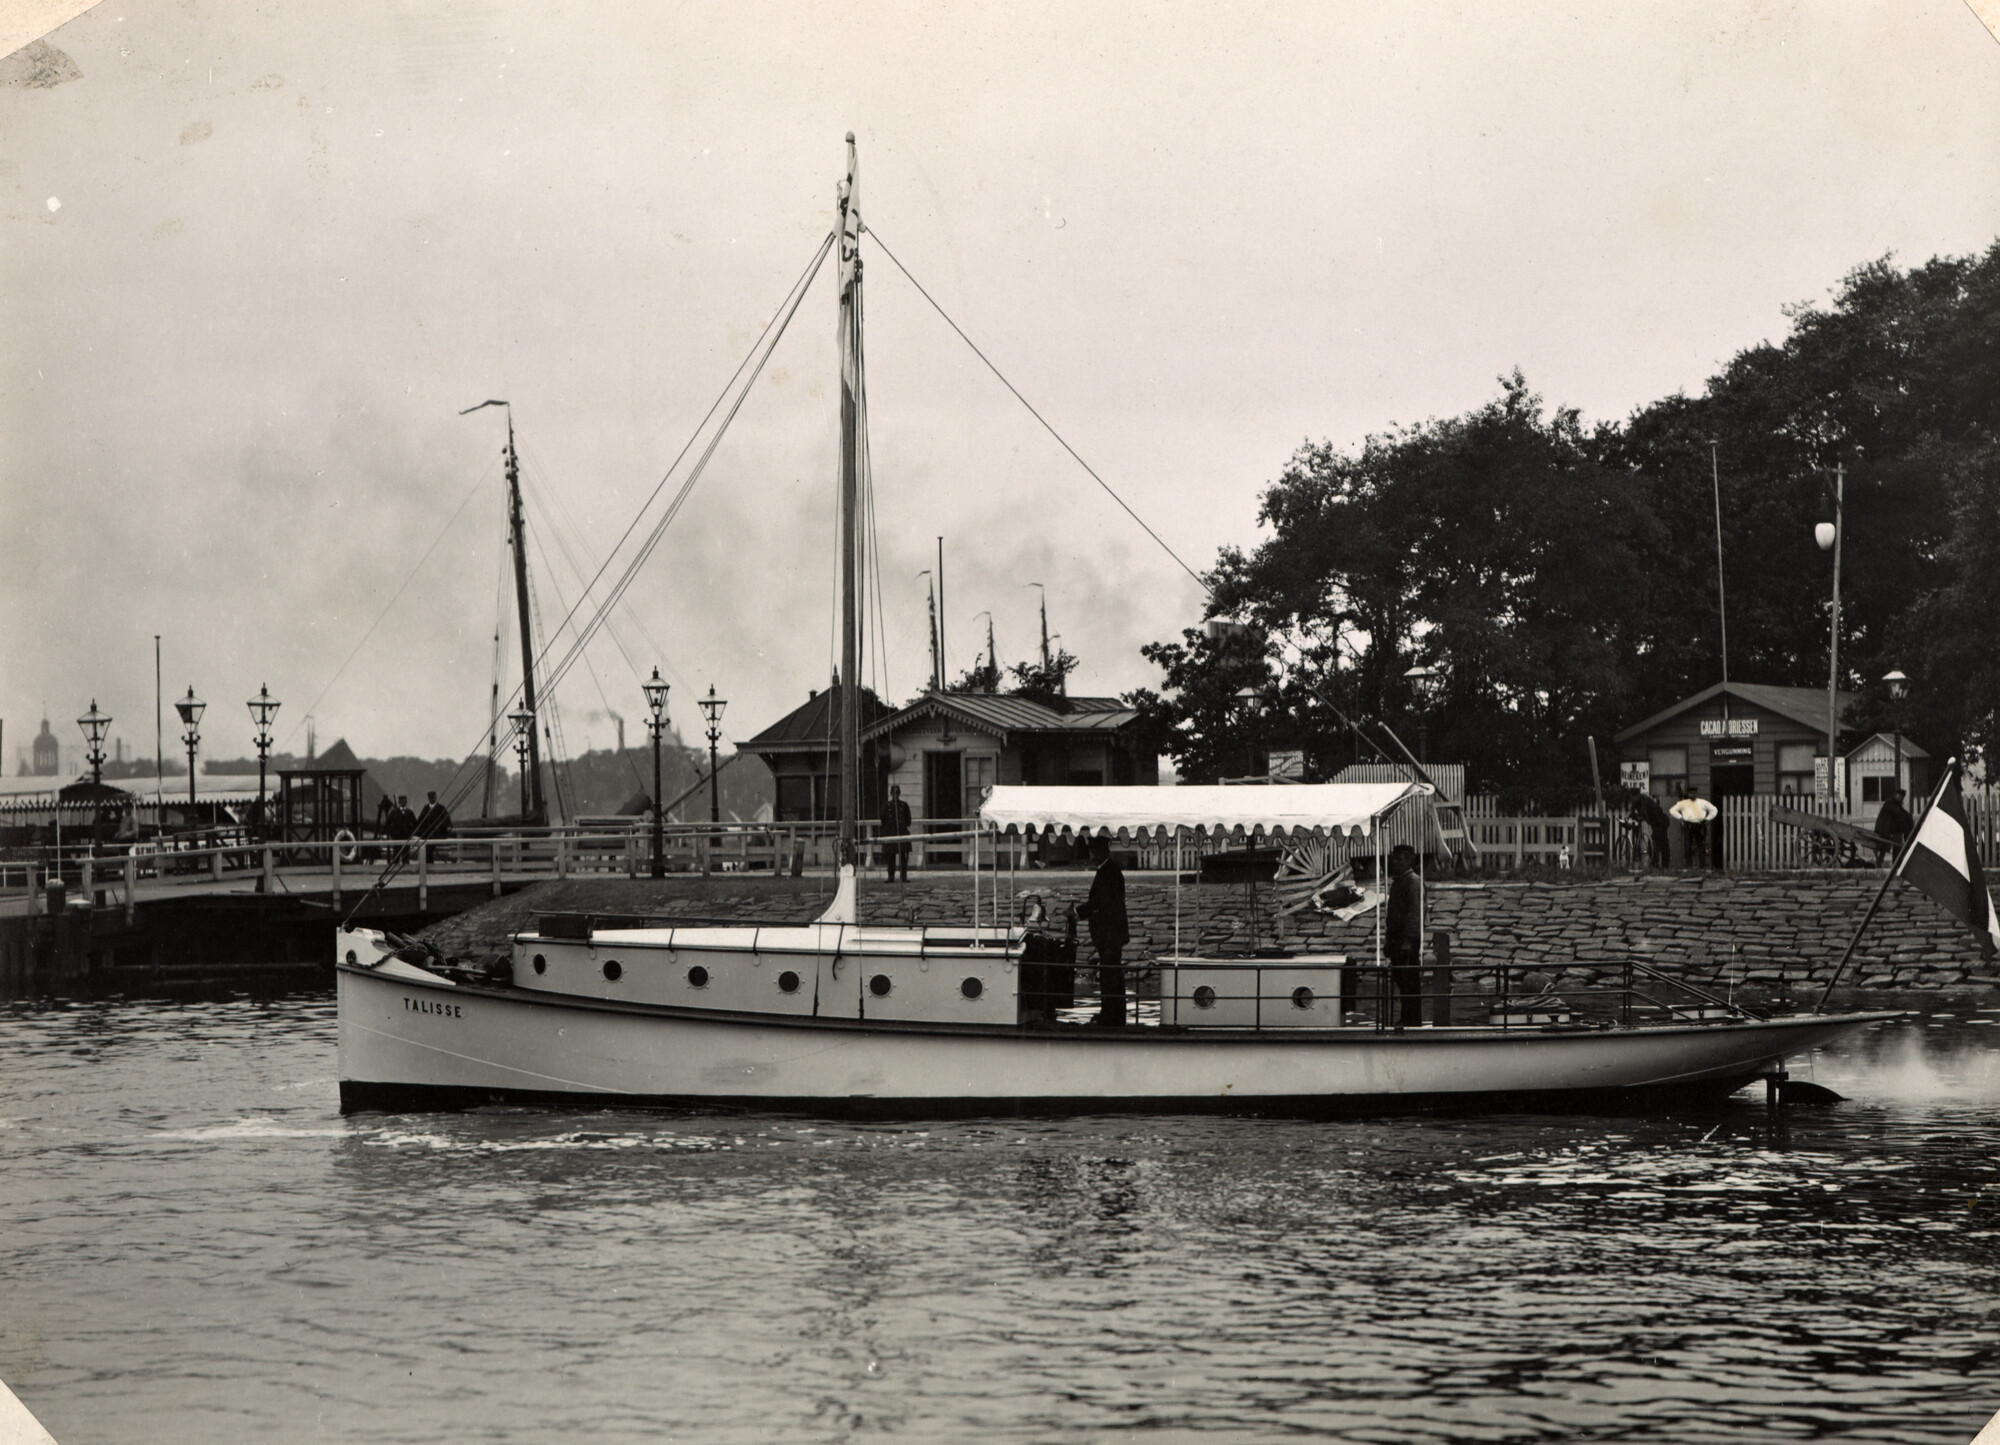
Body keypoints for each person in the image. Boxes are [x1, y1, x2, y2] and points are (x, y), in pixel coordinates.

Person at [1075, 834, 1129, 1027]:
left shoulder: (1109, 872)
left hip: (1110, 934)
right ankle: (1110, 1013)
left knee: (1110, 975)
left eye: (1095, 851)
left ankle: (1112, 1016)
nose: (1092, 854)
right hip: (1108, 934)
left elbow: (1100, 904)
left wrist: (1078, 912)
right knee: (1109, 975)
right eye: (1091, 850)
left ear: (1103, 851)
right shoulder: (1107, 871)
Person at [1384, 844, 1424, 1027]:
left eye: (1399, 859)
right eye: (1394, 858)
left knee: (1409, 981)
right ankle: (1407, 1017)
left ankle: (1411, 1019)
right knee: (1401, 979)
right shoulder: (1398, 881)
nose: (1395, 862)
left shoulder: (1413, 881)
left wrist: (1408, 940)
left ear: (1409, 860)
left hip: (1406, 941)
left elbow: (1415, 913)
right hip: (1396, 939)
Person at [1668, 787, 1718, 868]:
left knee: (1701, 846)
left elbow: (1714, 810)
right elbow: (1672, 810)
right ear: (1688, 794)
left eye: (1694, 793)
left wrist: (1707, 819)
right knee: (1687, 846)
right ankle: (1689, 867)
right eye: (1690, 793)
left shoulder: (1702, 802)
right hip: (1688, 825)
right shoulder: (1683, 803)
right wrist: (1680, 817)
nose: (1692, 794)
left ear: (1696, 793)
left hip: (1700, 825)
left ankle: (1702, 867)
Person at [879, 784, 912, 882]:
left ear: (900, 793)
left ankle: (904, 877)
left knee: (903, 857)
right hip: (890, 832)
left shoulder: (904, 805)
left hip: (902, 832)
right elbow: (883, 819)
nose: (895, 795)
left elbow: (908, 820)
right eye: (893, 793)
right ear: (890, 794)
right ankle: (891, 876)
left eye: (897, 793)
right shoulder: (886, 805)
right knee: (890, 857)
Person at [1874, 784, 1915, 854]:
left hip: (1891, 830)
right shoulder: (1889, 802)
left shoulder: (1897, 804)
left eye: (1902, 797)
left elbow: (1903, 812)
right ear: (1895, 795)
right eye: (1899, 796)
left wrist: (1909, 816)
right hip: (1883, 829)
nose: (1901, 798)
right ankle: (1909, 838)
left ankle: (1909, 837)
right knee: (1902, 819)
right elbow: (1896, 812)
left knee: (1907, 819)